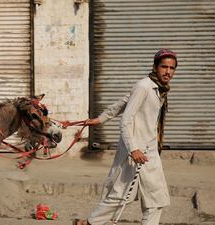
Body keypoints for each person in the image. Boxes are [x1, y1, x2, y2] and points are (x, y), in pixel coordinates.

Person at [73, 49, 178, 225]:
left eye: (172, 68)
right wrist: (133, 149)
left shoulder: (159, 89)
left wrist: (100, 119)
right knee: (121, 195)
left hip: (149, 150)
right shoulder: (144, 87)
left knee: (156, 199)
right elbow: (126, 120)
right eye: (164, 67)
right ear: (155, 67)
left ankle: (88, 223)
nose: (168, 72)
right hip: (136, 149)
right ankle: (89, 223)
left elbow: (123, 102)